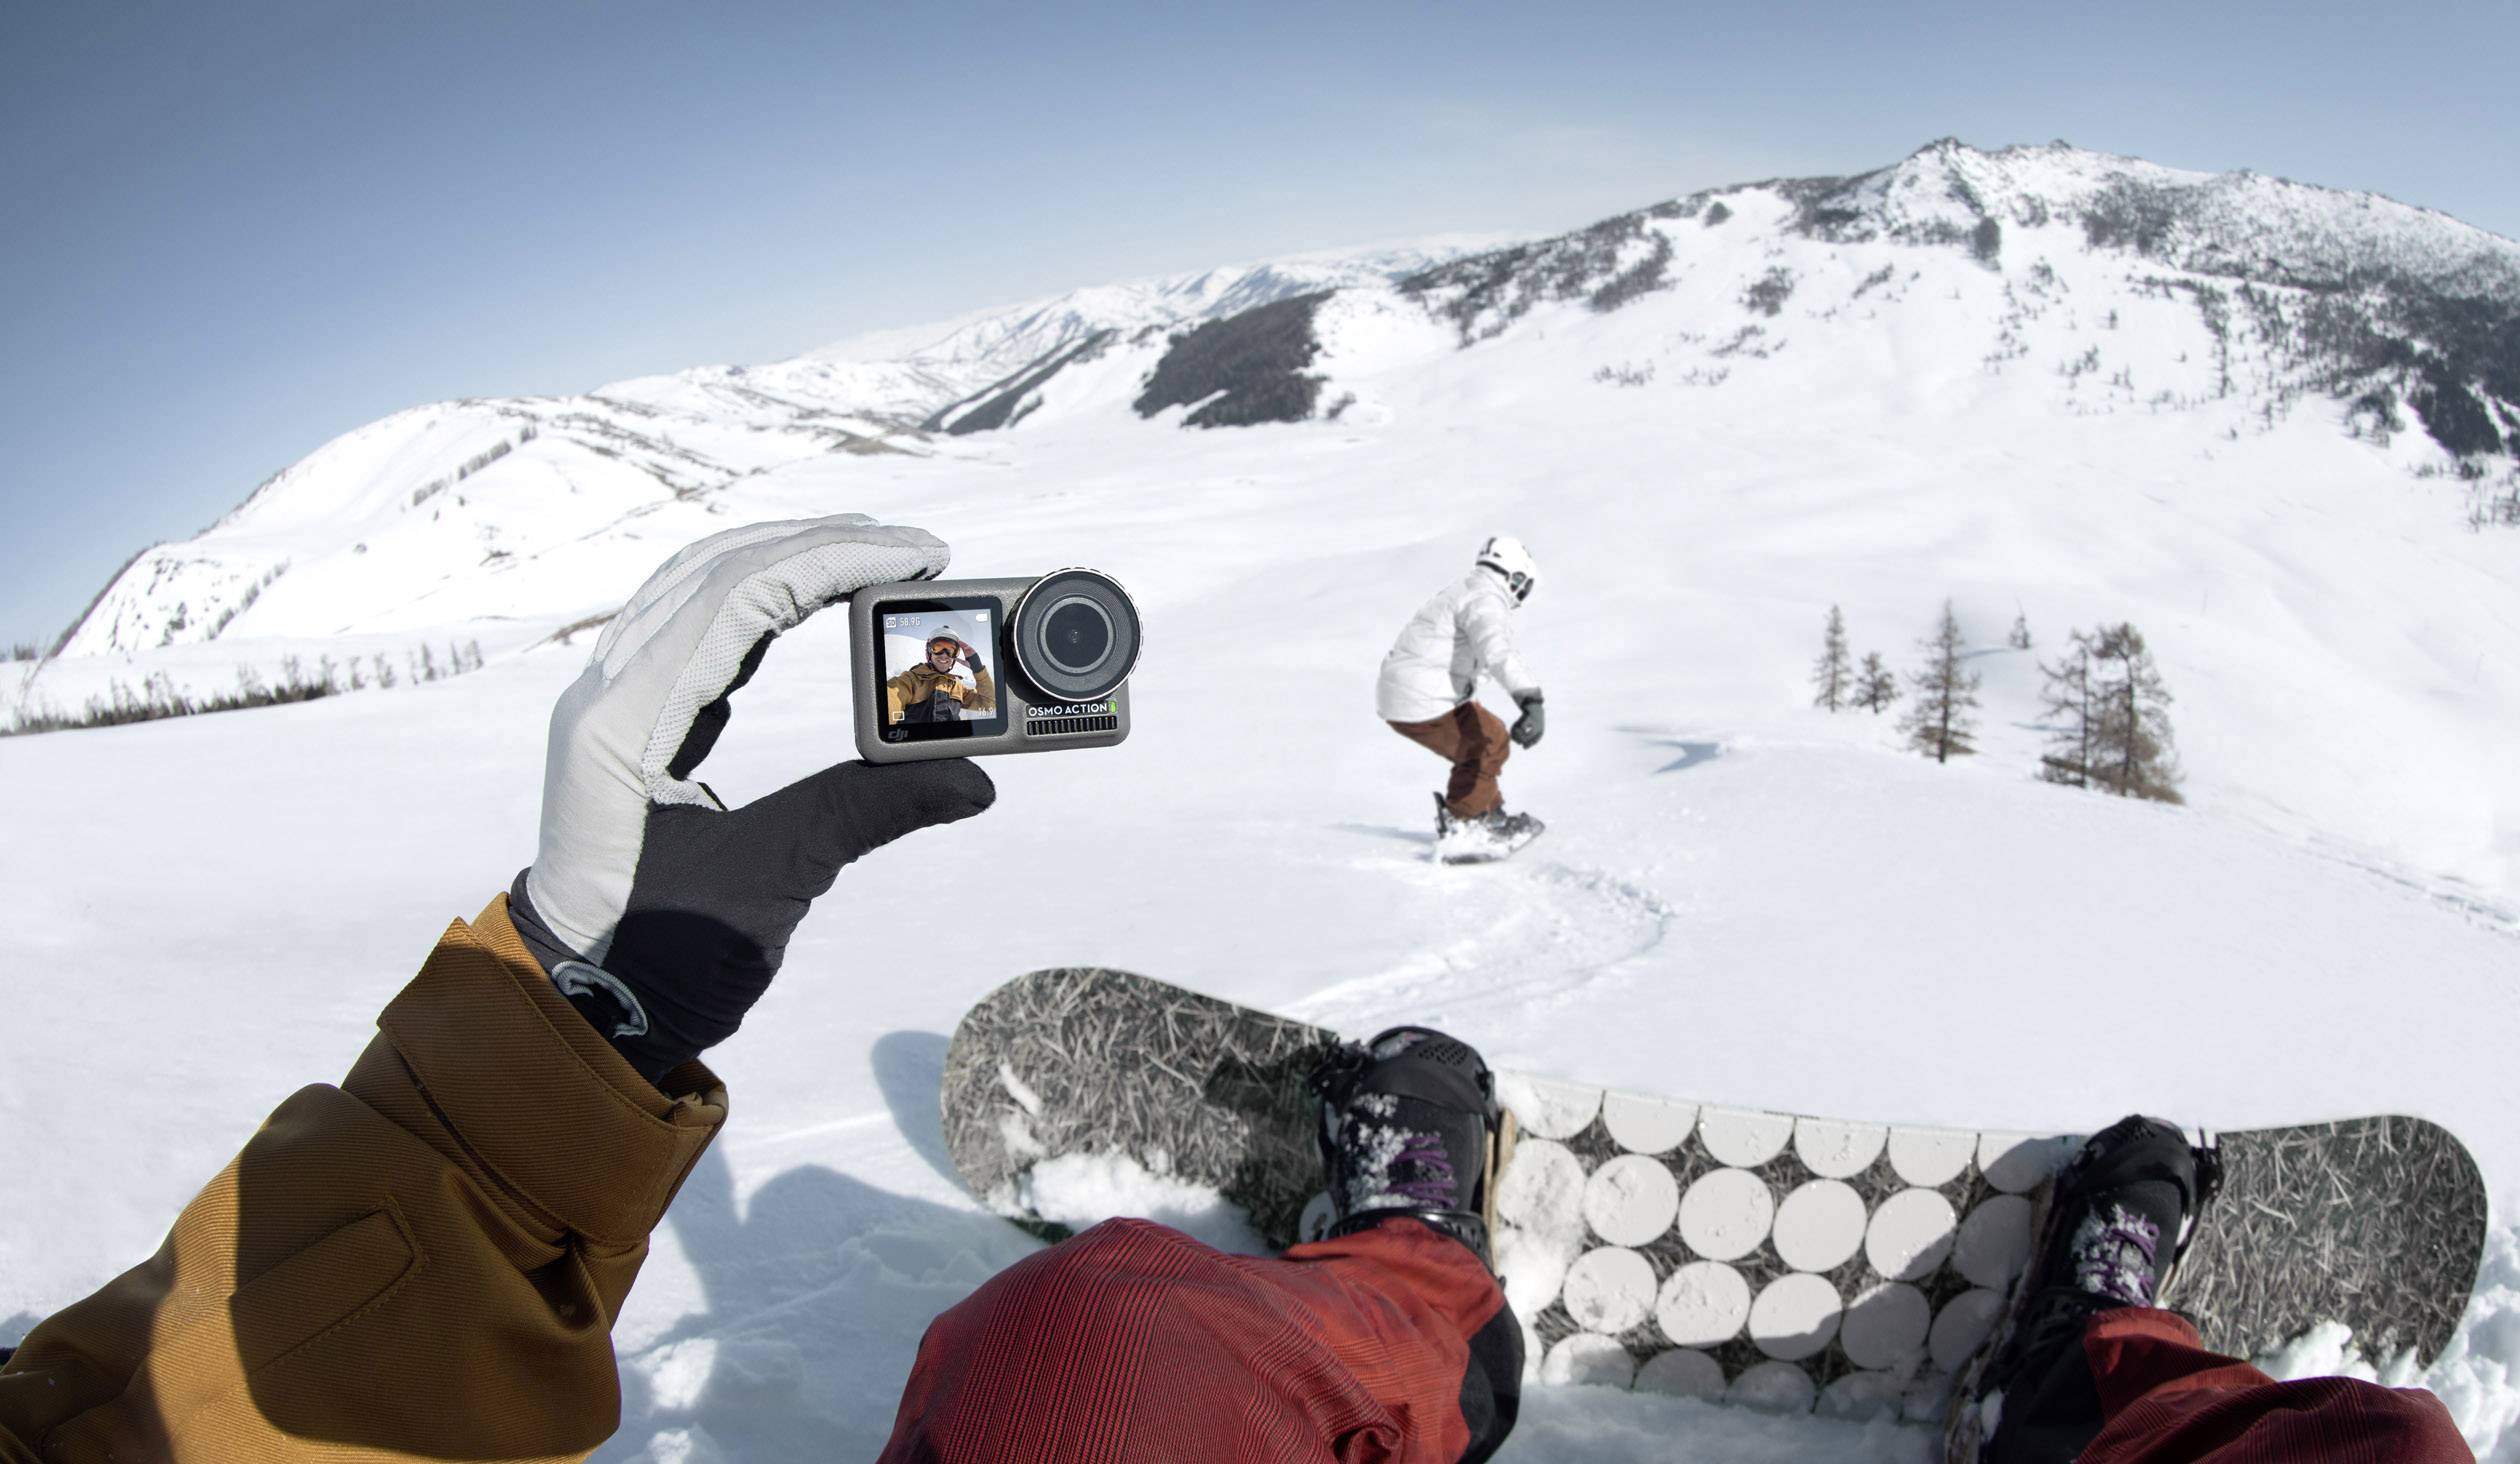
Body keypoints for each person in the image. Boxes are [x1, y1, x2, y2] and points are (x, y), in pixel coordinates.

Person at [0, 515, 2478, 1464]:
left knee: (1086, 1346)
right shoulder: (1467, 601)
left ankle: (2087, 1395)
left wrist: (563, 1033)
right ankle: (1441, 1285)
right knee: (1100, 1345)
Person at [1378, 535, 1546, 845]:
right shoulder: (1485, 599)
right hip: (1421, 696)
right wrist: (1530, 699)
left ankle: (1488, 813)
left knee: (1488, 735)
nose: (1522, 595)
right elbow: (1497, 651)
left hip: (1413, 690)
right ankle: (1464, 824)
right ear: (1515, 577)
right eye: (1524, 586)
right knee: (1487, 743)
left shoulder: (1468, 589)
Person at [887, 629, 994, 724]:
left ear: (955, 656)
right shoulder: (911, 680)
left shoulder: (957, 687)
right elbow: (890, 696)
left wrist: (977, 668)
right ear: (929, 652)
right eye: (938, 648)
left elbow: (989, 704)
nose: (944, 655)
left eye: (951, 650)